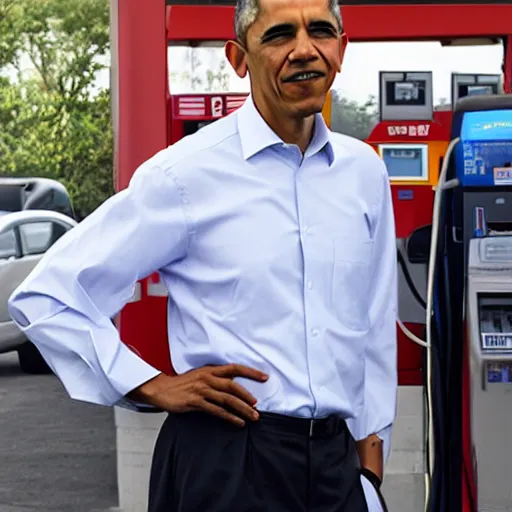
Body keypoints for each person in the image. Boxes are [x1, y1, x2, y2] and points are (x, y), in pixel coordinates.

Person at [8, 0, 397, 510]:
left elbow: (373, 320)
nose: (304, 50)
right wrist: (148, 384)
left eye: (320, 31)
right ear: (238, 58)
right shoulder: (184, 176)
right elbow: (47, 296)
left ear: (341, 50)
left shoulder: (363, 172)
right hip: (227, 463)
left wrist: (370, 463)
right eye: (279, 36)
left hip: (336, 466)